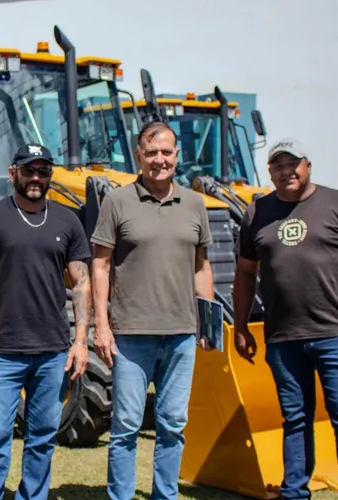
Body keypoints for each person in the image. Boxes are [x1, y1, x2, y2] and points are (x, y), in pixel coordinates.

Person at [231, 137, 338, 500]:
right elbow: (244, 272)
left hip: (337, 334)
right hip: (283, 338)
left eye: (293, 164)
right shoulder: (255, 213)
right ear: (269, 171)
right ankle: (295, 493)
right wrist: (240, 326)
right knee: (295, 422)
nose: (286, 171)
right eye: (278, 165)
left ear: (308, 165)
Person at [90, 120, 215, 500]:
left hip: (181, 335)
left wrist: (207, 322)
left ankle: (165, 495)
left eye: (166, 152)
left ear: (177, 155)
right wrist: (102, 325)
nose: (159, 159)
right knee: (126, 426)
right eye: (151, 152)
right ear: (139, 156)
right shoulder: (117, 201)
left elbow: (202, 267)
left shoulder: (195, 203)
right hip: (130, 335)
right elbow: (100, 265)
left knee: (173, 424)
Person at [0, 143, 92, 500]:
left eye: (43, 171)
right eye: (29, 170)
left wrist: (81, 342)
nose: (36, 177)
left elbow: (81, 283)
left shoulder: (67, 220)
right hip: (1, 351)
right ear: (13, 172)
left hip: (52, 352)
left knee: (43, 437)